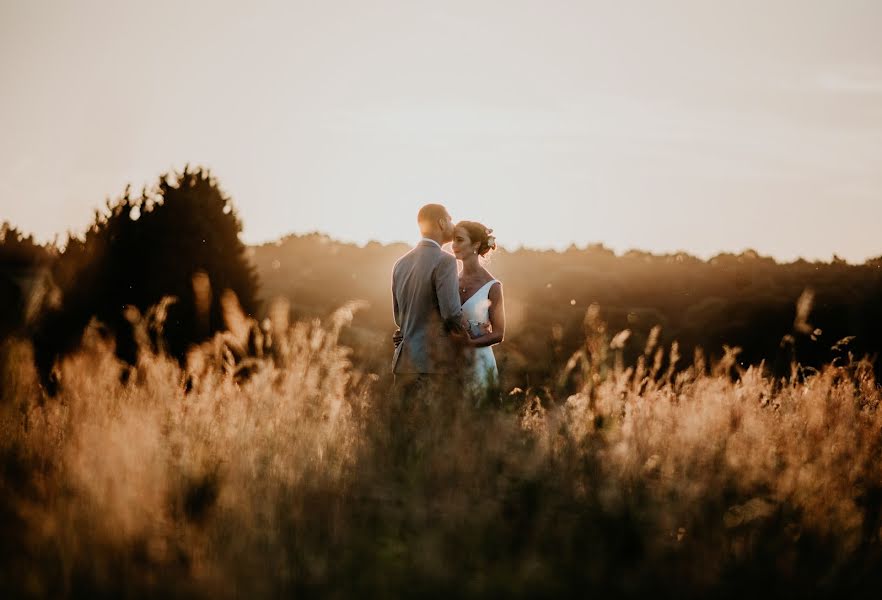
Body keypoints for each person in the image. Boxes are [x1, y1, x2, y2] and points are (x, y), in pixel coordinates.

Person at [391, 204, 466, 404]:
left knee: (405, 431)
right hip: (434, 366)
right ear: (442, 222)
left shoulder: (400, 263)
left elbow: (399, 318)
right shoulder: (445, 261)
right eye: (450, 219)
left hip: (404, 365)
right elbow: (451, 314)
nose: (453, 224)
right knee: (434, 432)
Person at [451, 221, 505, 404]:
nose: (454, 245)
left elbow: (499, 333)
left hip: (481, 364)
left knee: (480, 420)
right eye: (453, 240)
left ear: (475, 244)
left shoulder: (493, 286)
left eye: (459, 240)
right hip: (451, 363)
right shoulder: (449, 282)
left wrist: (469, 343)